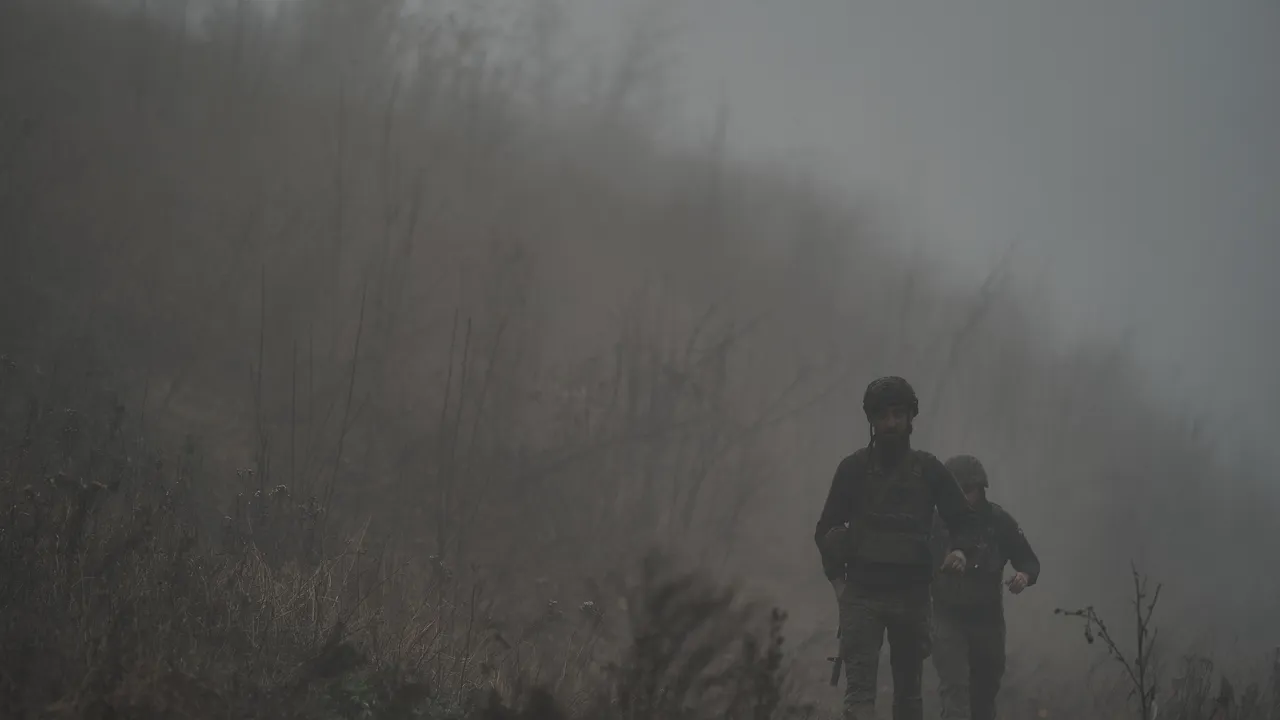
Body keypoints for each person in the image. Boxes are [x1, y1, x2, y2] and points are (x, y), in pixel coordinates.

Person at [814, 376, 979, 720]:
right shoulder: (853, 469)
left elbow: (965, 520)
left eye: (898, 414)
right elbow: (826, 529)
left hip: (912, 595)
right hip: (861, 594)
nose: (891, 423)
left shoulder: (930, 470)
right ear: (871, 420)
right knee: (859, 697)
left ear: (910, 418)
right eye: (883, 415)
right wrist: (839, 585)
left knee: (908, 696)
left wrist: (960, 551)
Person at [929, 454, 1041, 720]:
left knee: (984, 695)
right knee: (954, 694)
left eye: (967, 490)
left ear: (980, 489)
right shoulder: (934, 523)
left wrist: (1023, 577)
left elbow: (1028, 560)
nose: (961, 498)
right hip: (947, 619)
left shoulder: (998, 521)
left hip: (987, 621)